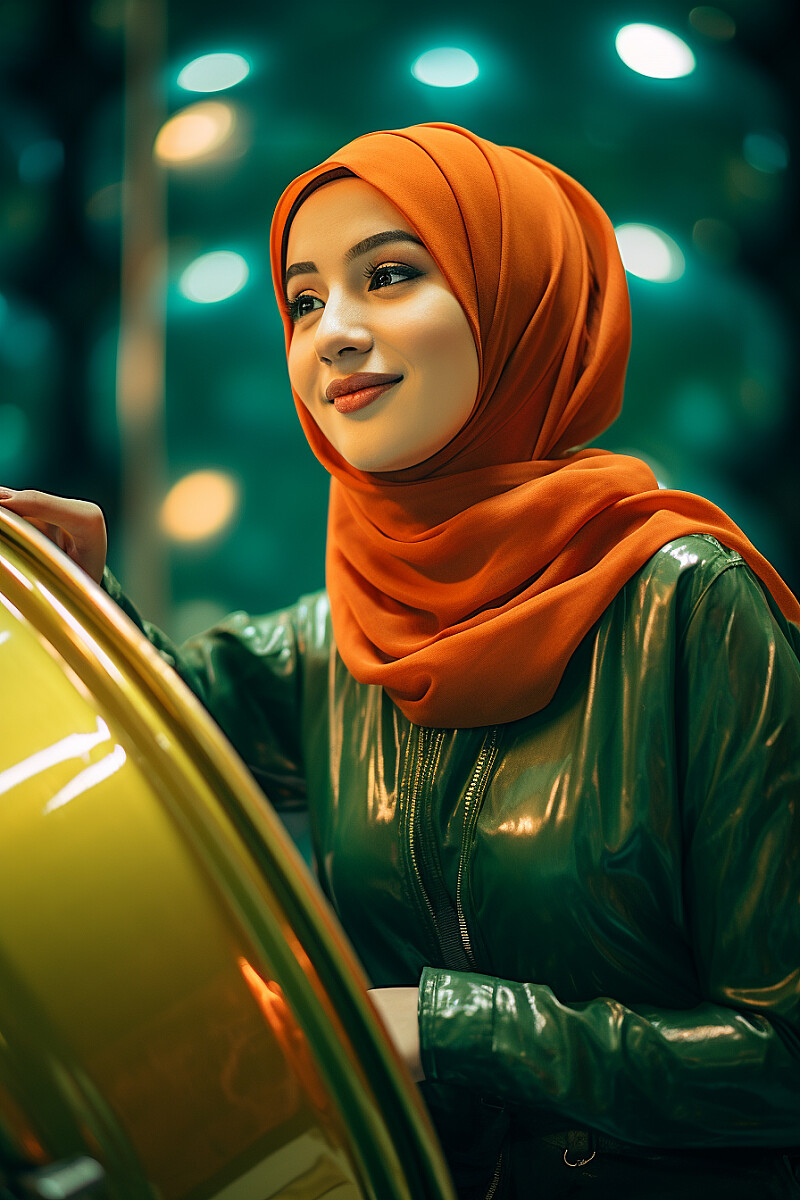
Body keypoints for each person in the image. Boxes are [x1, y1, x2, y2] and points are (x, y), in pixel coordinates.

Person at [2, 122, 799, 1199]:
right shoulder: (338, 635)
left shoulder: (688, 605)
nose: (333, 333)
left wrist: (448, 1024)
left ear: (515, 293)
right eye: (304, 299)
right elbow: (143, 781)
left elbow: (779, 1059)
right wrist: (82, 608)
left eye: (387, 275)